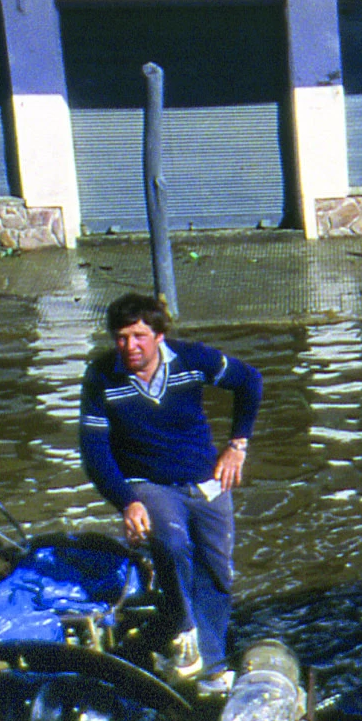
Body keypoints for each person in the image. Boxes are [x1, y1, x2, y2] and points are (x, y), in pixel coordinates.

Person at [78, 293, 262, 687]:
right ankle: (185, 634)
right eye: (121, 337)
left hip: (206, 479)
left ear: (159, 336)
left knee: (217, 571)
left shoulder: (192, 359)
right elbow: (94, 452)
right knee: (173, 545)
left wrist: (237, 445)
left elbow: (250, 381)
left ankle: (212, 668)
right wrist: (127, 501)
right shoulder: (101, 378)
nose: (130, 346)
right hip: (149, 483)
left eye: (139, 336)